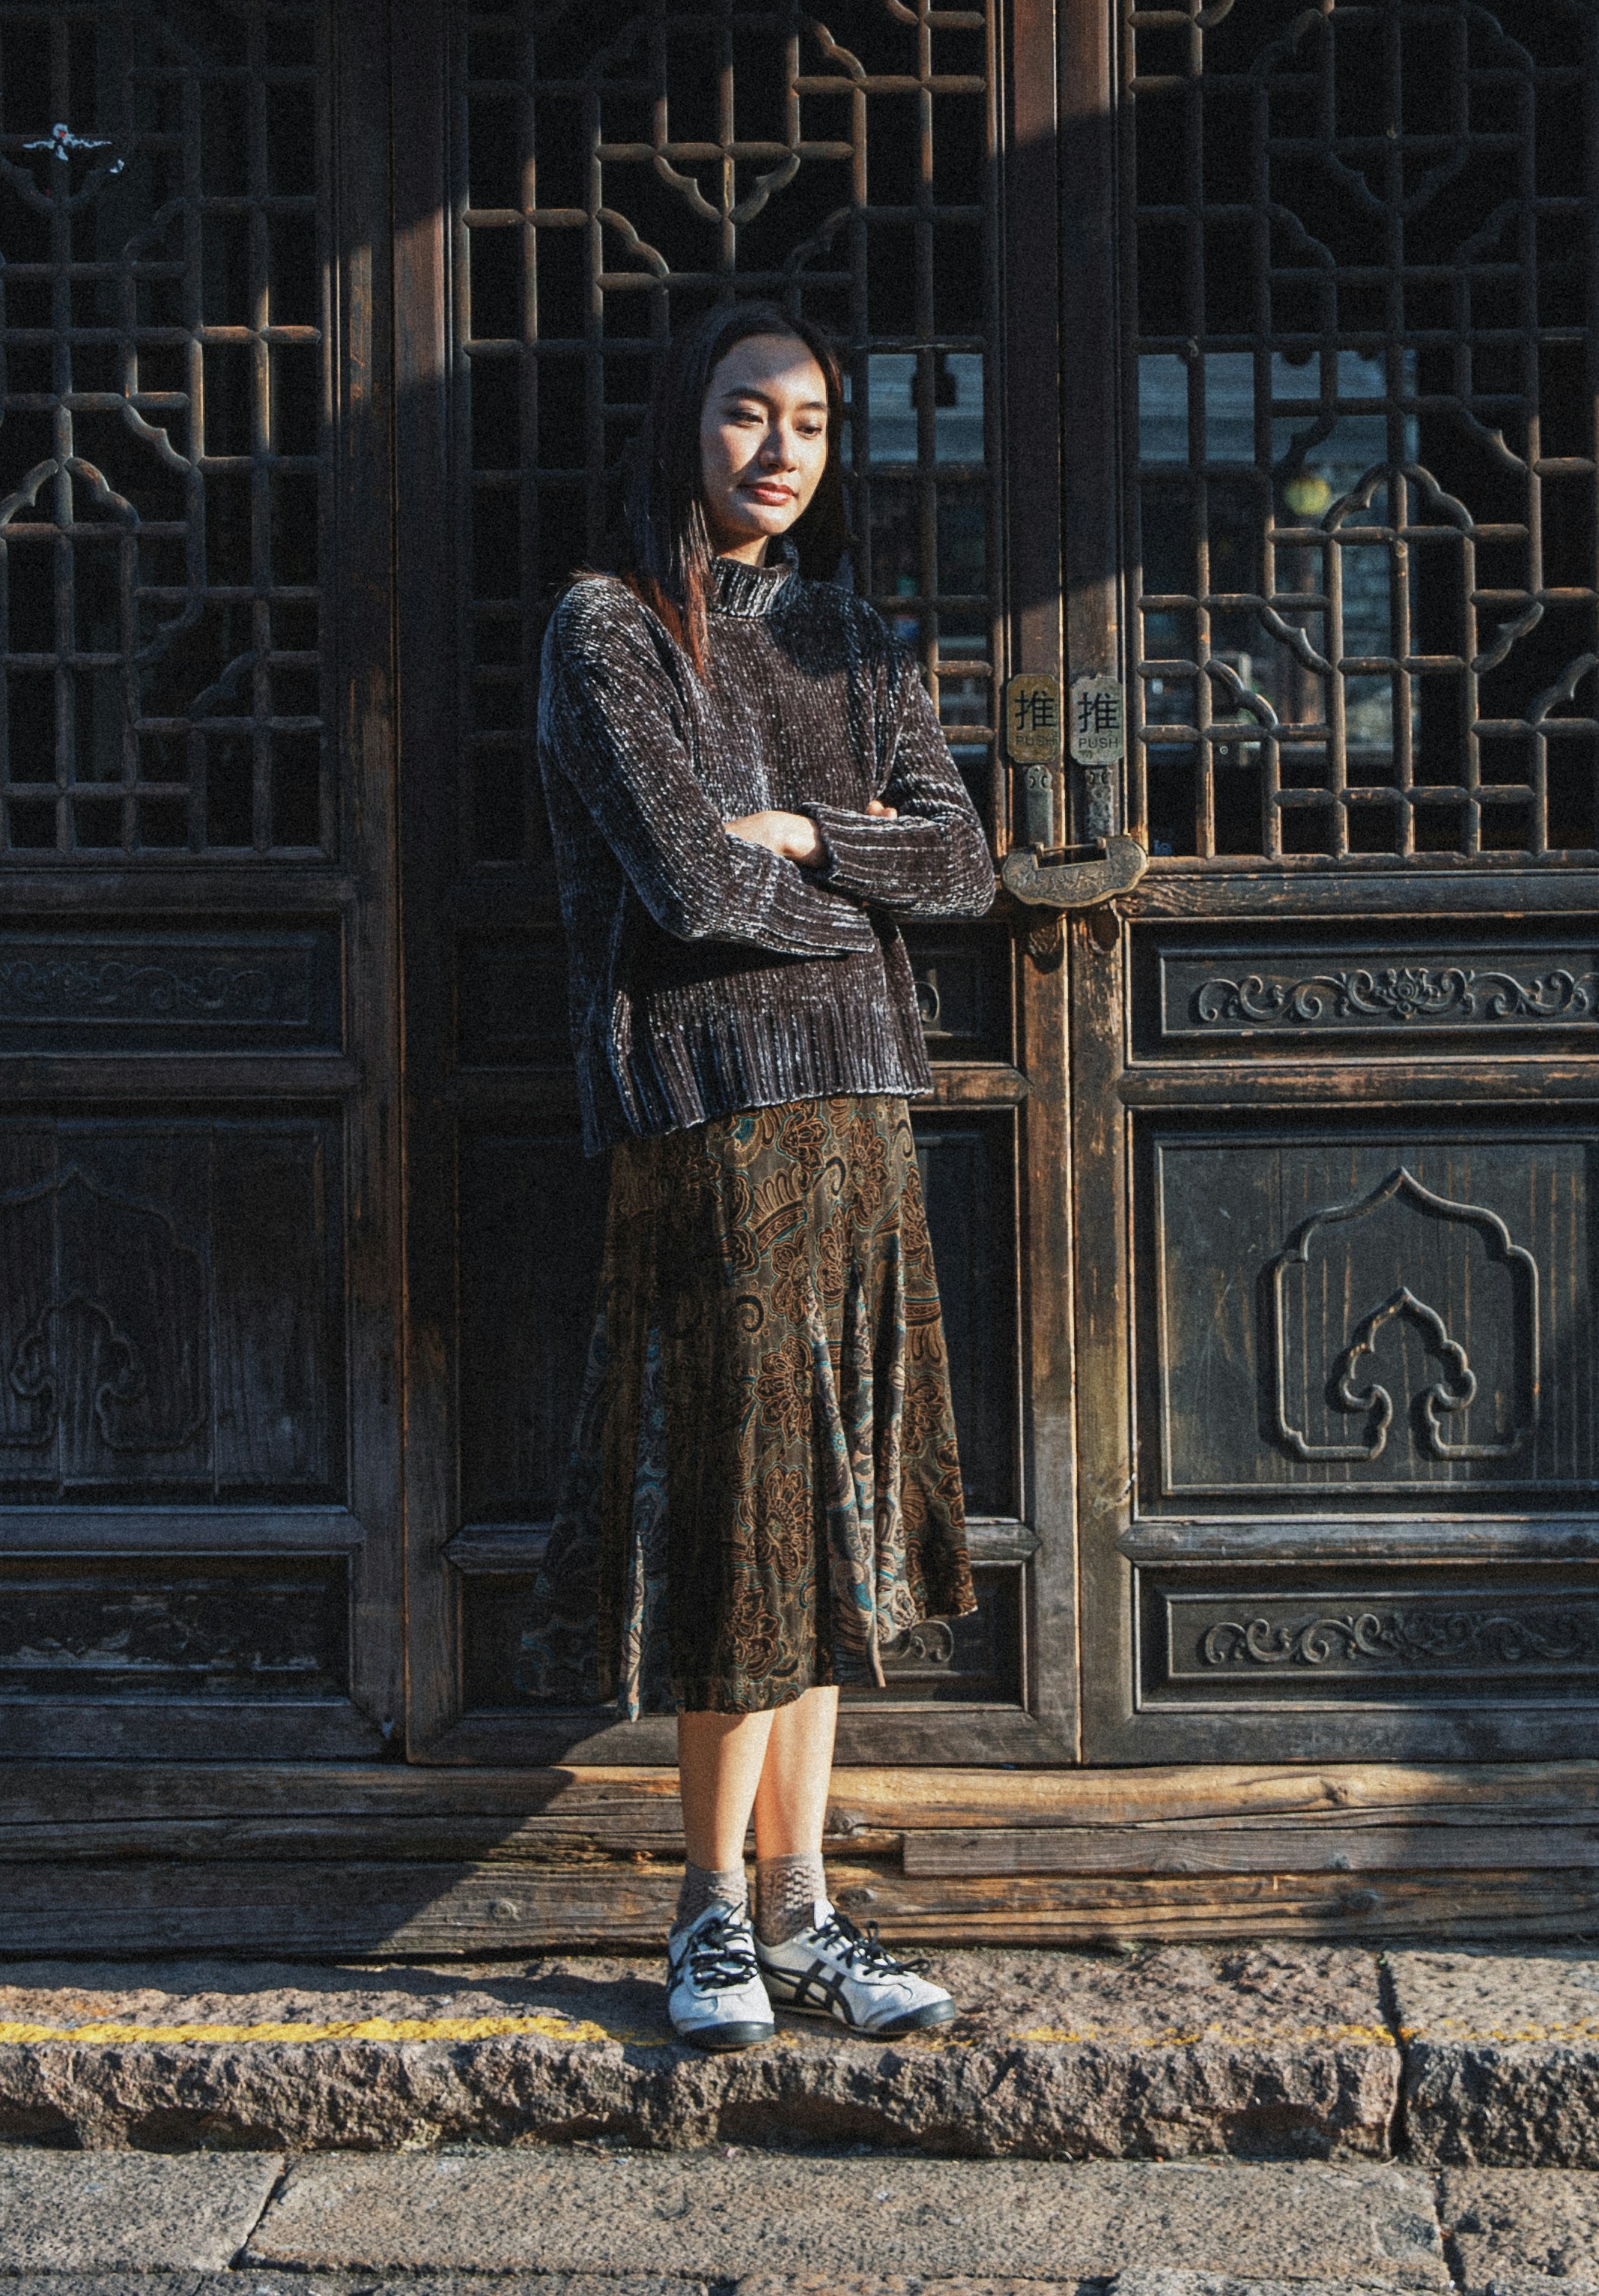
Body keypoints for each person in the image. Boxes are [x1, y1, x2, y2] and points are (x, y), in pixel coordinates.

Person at [513, 299, 998, 2055]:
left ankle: (804, 1911)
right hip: (706, 1118)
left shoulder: (860, 638)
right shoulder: (612, 631)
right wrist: (841, 891)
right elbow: (684, 891)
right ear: (682, 429)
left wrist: (807, 837)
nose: (780, 448)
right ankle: (706, 1910)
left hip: (862, 1111)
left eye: (808, 416)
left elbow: (968, 862)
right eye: (745, 414)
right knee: (738, 1522)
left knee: (830, 1519)